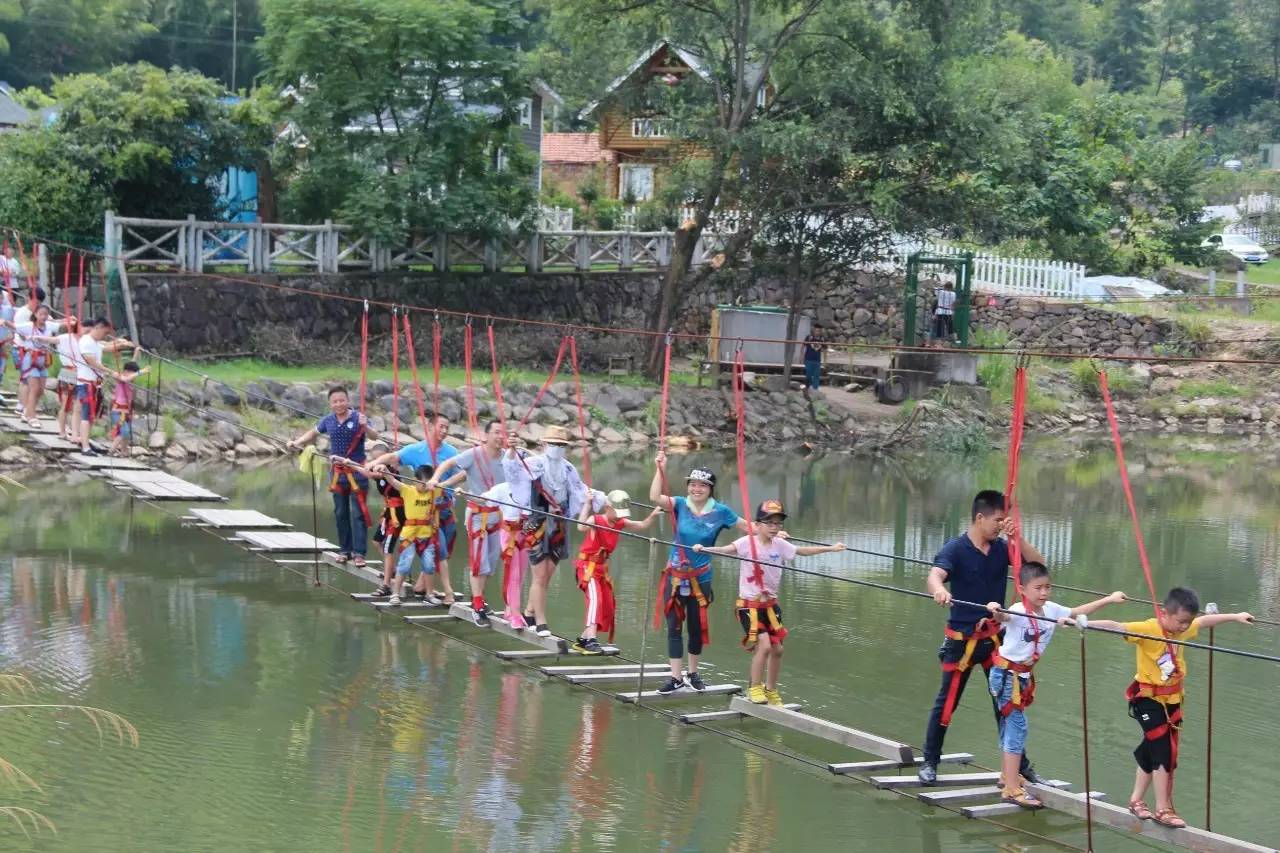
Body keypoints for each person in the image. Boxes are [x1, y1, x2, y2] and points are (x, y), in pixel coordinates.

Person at [1090, 588, 1253, 828]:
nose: (1185, 627)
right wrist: (1079, 622)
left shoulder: (1184, 629)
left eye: (1187, 623)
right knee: (1163, 750)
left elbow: (1203, 621)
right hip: (1147, 699)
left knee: (1152, 748)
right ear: (1165, 613)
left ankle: (1136, 800)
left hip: (1172, 701)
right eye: (1181, 622)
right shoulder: (1149, 629)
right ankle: (1162, 809)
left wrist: (1235, 616)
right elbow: (1116, 625)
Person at [918, 489, 1046, 786]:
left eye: (1004, 521)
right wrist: (939, 589)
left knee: (1007, 705)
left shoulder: (1003, 549)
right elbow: (934, 575)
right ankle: (930, 761)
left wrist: (1017, 539)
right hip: (961, 641)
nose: (1001, 525)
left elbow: (1039, 568)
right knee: (947, 702)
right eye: (998, 520)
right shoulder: (956, 549)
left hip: (996, 642)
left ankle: (1020, 766)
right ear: (980, 517)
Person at [982, 563, 1126, 809]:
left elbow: (1078, 611)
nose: (1044, 592)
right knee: (1017, 727)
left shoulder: (1050, 609)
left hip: (1021, 677)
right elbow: (1001, 616)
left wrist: (1109, 599)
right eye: (1037, 588)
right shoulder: (1018, 610)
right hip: (1007, 675)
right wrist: (993, 609)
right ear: (1023, 589)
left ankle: (1008, 775)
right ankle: (1011, 789)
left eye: (1047, 587)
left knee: (1011, 726)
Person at [695, 499, 844, 705]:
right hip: (749, 605)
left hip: (770, 606)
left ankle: (771, 689)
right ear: (757, 525)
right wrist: (704, 549)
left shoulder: (780, 545)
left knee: (778, 649)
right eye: (769, 523)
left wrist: (830, 549)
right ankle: (754, 688)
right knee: (763, 646)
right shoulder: (747, 542)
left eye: (778, 524)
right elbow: (726, 550)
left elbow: (801, 551)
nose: (774, 528)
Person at [649, 451, 751, 695]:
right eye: (693, 484)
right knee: (674, 626)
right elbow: (654, 497)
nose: (697, 489)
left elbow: (747, 527)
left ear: (710, 488)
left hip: (701, 579)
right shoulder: (679, 504)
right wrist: (659, 468)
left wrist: (773, 532)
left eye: (702, 485)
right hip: (675, 576)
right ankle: (675, 677)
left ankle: (693, 673)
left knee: (695, 627)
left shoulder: (721, 512)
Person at [503, 424, 587, 638]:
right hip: (537, 522)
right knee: (539, 575)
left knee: (547, 575)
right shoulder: (533, 464)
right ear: (543, 444)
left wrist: (596, 500)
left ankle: (530, 612)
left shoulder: (568, 468)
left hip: (559, 524)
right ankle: (541, 623)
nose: (557, 448)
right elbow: (511, 471)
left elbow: (579, 490)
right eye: (553, 444)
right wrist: (511, 450)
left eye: (561, 445)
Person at [369, 413, 460, 602]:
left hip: (443, 507)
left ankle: (425, 587)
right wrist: (375, 463)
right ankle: (425, 590)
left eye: (447, 428)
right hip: (422, 512)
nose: (444, 431)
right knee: (432, 552)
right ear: (430, 426)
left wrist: (445, 484)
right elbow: (394, 457)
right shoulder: (416, 450)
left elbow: (463, 473)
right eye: (440, 426)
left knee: (440, 551)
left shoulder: (452, 452)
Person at [286, 387, 379, 567]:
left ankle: (359, 553)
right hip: (338, 474)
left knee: (358, 513)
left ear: (347, 400)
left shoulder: (358, 417)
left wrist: (365, 426)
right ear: (330, 404)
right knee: (340, 513)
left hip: (358, 471)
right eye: (335, 401)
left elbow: (375, 436)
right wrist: (296, 443)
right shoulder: (328, 420)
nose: (338, 404)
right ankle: (344, 550)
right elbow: (312, 433)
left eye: (341, 400)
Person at [334, 457, 444, 606]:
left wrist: (452, 486)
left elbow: (449, 482)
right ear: (414, 481)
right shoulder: (408, 490)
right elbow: (393, 482)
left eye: (427, 484)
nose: (425, 487)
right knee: (404, 565)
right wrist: (385, 471)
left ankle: (430, 594)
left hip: (426, 535)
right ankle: (395, 593)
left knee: (429, 566)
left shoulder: (433, 492)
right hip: (410, 536)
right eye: (422, 484)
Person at [431, 420, 507, 621]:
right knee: (478, 562)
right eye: (496, 432)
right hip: (477, 517)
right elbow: (449, 464)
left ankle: (479, 598)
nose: (500, 437)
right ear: (487, 434)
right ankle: (477, 602)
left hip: (498, 517)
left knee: (490, 564)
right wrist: (435, 479)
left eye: (503, 433)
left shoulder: (507, 458)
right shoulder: (474, 454)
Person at [572, 489, 659, 654]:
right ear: (607, 507)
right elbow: (580, 526)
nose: (620, 516)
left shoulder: (621, 523)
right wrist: (588, 503)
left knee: (607, 606)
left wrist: (653, 515)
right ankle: (591, 641)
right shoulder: (596, 520)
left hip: (601, 570)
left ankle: (584, 639)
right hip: (586, 567)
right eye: (617, 512)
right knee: (595, 601)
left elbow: (642, 525)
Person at [74, 319, 134, 455]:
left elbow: (108, 347)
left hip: (95, 384)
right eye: (105, 332)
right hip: (87, 383)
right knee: (86, 415)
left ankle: (86, 443)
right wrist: (111, 372)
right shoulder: (86, 341)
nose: (105, 335)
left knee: (90, 416)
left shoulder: (95, 343)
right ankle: (85, 447)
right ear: (99, 328)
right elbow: (91, 361)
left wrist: (122, 344)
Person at [5, 303, 62, 426]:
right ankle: (32, 417)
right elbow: (14, 326)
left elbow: (62, 324)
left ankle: (27, 411)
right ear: (35, 315)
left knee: (40, 390)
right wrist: (4, 321)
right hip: (30, 359)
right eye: (41, 314)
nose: (43, 317)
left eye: (46, 314)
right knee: (34, 388)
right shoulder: (28, 326)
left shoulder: (50, 326)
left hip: (43, 359)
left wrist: (72, 321)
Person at [369, 445, 406, 598]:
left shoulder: (391, 473)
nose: (377, 463)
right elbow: (370, 473)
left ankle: (386, 586)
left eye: (380, 459)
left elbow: (370, 474)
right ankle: (393, 570)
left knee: (387, 548)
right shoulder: (378, 471)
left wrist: (352, 465)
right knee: (377, 542)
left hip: (397, 514)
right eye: (375, 459)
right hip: (388, 512)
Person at [107, 357, 148, 457]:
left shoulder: (130, 381)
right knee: (124, 431)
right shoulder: (121, 379)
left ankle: (124, 451)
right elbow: (127, 377)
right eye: (133, 373)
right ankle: (111, 451)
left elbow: (132, 363)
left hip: (126, 412)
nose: (134, 376)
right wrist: (141, 371)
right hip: (118, 412)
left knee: (126, 433)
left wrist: (137, 353)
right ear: (126, 372)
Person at [51, 317, 81, 440]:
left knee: (76, 406)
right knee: (65, 405)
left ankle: (74, 432)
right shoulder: (64, 338)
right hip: (68, 373)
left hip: (79, 374)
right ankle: (62, 431)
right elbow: (51, 339)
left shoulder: (82, 340)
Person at [802, 323, 825, 392]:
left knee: (816, 375)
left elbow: (825, 349)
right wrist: (801, 357)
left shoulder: (822, 339)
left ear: (821, 331)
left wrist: (825, 360)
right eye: (816, 330)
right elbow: (803, 346)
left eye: (819, 331)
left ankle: (815, 389)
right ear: (813, 330)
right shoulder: (809, 337)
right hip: (808, 359)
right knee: (808, 374)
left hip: (817, 360)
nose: (817, 332)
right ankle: (807, 388)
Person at [932, 281, 956, 346]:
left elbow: (935, 289)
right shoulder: (953, 294)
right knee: (950, 327)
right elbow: (953, 303)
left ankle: (939, 344)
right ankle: (953, 342)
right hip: (949, 312)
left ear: (945, 287)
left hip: (940, 311)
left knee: (939, 327)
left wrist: (941, 286)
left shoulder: (941, 292)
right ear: (951, 287)